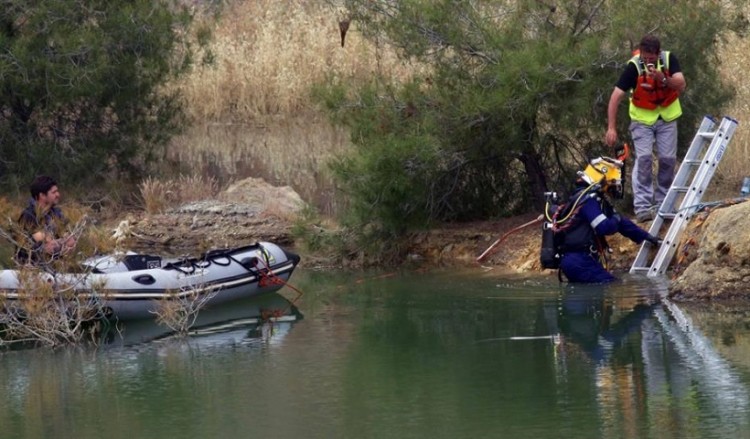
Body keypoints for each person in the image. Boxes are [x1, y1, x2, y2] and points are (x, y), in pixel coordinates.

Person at [605, 35, 687, 222]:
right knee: (644, 159)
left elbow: (681, 84)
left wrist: (663, 79)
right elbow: (616, 96)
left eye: (652, 58)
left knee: (667, 159)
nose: (648, 61)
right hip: (642, 120)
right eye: (645, 57)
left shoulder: (668, 60)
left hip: (667, 118)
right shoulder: (633, 67)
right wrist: (611, 127)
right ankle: (642, 206)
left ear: (658, 53)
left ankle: (663, 203)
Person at [551, 155, 661, 283]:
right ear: (602, 179)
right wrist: (616, 220)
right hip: (579, 260)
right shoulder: (588, 201)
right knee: (612, 285)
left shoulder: (587, 199)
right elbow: (604, 227)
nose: (613, 187)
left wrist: (647, 237)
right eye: (612, 183)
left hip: (576, 261)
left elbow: (621, 222)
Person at [15, 175, 77, 264]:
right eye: (54, 192)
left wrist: (61, 242)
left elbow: (70, 241)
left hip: (57, 265)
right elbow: (49, 246)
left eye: (57, 191)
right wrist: (61, 242)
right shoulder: (28, 215)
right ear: (42, 195)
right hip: (33, 268)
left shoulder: (56, 213)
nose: (58, 195)